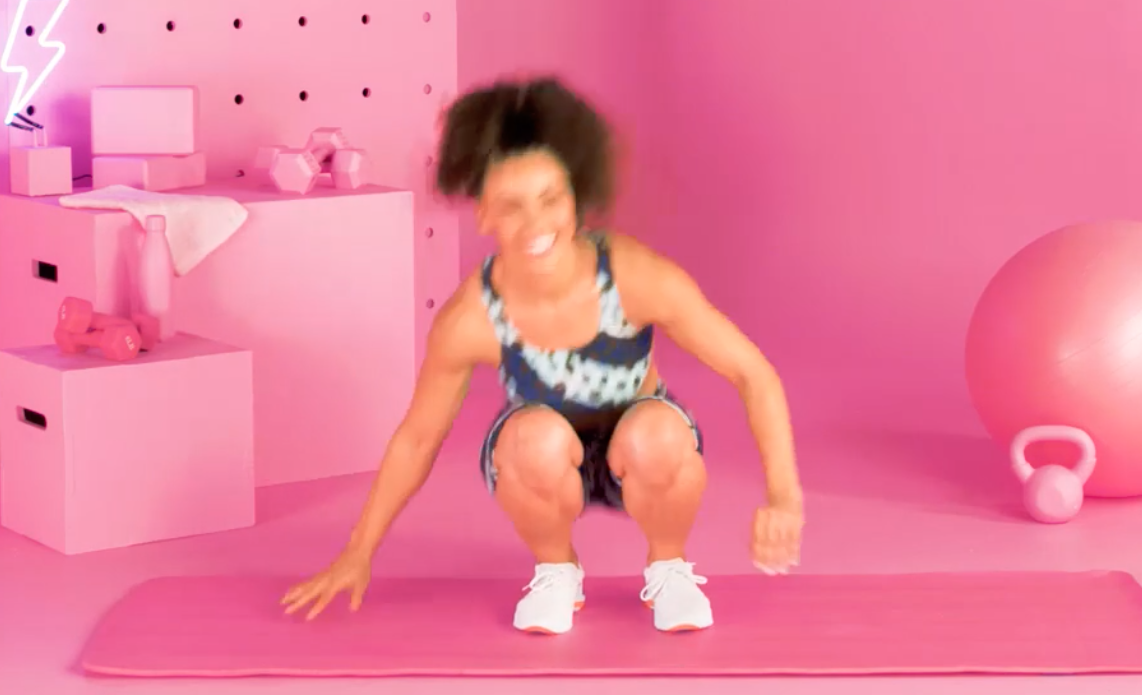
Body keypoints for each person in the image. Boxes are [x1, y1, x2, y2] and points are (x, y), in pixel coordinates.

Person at [280, 76, 804, 635]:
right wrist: (359, 550)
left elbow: (752, 373)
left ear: (577, 200)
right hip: (542, 456)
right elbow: (417, 437)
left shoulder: (634, 276)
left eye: (550, 199)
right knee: (531, 440)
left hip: (642, 441)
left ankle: (669, 566)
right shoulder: (471, 317)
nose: (535, 224)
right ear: (483, 214)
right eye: (511, 206)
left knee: (659, 434)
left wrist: (784, 495)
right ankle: (557, 570)